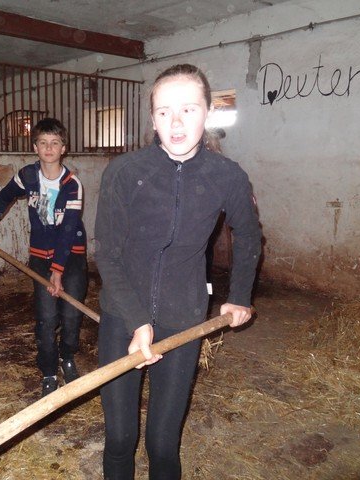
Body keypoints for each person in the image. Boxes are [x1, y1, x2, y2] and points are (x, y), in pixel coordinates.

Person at [94, 64, 262, 479]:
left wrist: (239, 295)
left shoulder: (227, 176)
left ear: (208, 113)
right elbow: (107, 254)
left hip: (183, 317)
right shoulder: (124, 172)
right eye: (164, 111)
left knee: (163, 443)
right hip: (122, 316)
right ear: (152, 119)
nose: (176, 122)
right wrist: (137, 321)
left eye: (188, 109)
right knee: (120, 438)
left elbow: (249, 235)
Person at [0, 118, 88, 398]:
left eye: (55, 143)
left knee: (71, 314)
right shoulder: (27, 176)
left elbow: (68, 230)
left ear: (63, 148)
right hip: (40, 256)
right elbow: (4, 198)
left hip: (71, 256)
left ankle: (67, 357)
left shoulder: (72, 185)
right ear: (35, 147)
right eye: (43, 143)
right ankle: (49, 371)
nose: (49, 148)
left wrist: (58, 272)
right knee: (47, 317)